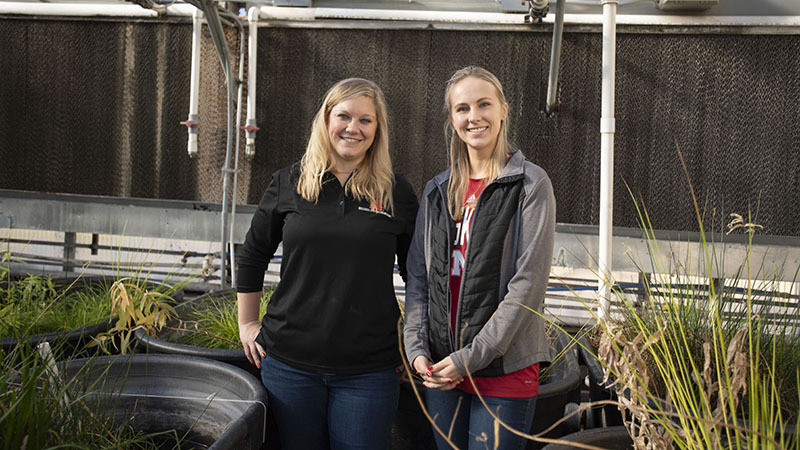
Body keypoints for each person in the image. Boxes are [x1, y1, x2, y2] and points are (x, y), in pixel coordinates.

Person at [236, 78, 419, 450]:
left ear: (377, 130)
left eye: (366, 120)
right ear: (325, 120)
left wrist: (414, 343)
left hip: (369, 369)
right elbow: (253, 253)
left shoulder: (395, 191)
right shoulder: (290, 182)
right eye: (344, 116)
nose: (353, 128)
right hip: (289, 365)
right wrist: (248, 323)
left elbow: (418, 275)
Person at [403, 66, 556, 450]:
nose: (474, 117)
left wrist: (471, 357)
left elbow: (528, 284)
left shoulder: (530, 184)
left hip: (503, 369)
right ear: (452, 119)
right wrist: (417, 349)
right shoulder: (438, 190)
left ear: (503, 109)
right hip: (442, 368)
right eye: (462, 108)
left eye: (484, 104)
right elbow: (419, 279)